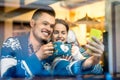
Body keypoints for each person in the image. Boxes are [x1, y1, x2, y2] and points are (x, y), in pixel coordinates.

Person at [1, 5, 56, 78]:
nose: (49, 29)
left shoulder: (52, 51)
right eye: (45, 24)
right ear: (32, 23)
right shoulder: (12, 43)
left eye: (51, 26)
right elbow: (6, 77)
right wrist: (38, 56)